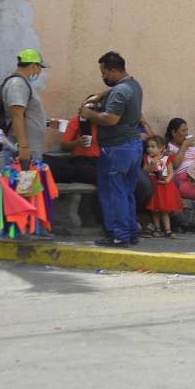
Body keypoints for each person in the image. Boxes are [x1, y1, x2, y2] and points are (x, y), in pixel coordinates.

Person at [79, 52, 144, 247]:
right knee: (127, 192)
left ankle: (118, 235)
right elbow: (118, 90)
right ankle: (131, 232)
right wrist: (101, 94)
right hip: (133, 147)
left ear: (114, 70)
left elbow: (111, 119)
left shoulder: (119, 92)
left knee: (113, 193)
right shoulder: (134, 85)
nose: (103, 77)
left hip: (116, 148)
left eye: (104, 72)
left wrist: (89, 113)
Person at [0, 49, 56, 170]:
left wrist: (45, 122)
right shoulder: (17, 84)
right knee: (21, 188)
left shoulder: (22, 83)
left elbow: (25, 115)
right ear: (33, 66)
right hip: (21, 153)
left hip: (27, 151)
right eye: (40, 67)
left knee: (26, 189)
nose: (40, 71)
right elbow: (16, 115)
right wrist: (24, 148)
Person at [142, 136, 181, 237]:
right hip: (154, 185)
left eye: (153, 146)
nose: (149, 149)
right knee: (155, 209)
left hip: (164, 186)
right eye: (148, 146)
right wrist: (152, 165)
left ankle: (168, 230)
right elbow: (145, 170)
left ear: (161, 148)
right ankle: (157, 228)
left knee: (164, 209)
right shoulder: (147, 158)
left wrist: (167, 180)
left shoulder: (167, 158)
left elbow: (171, 172)